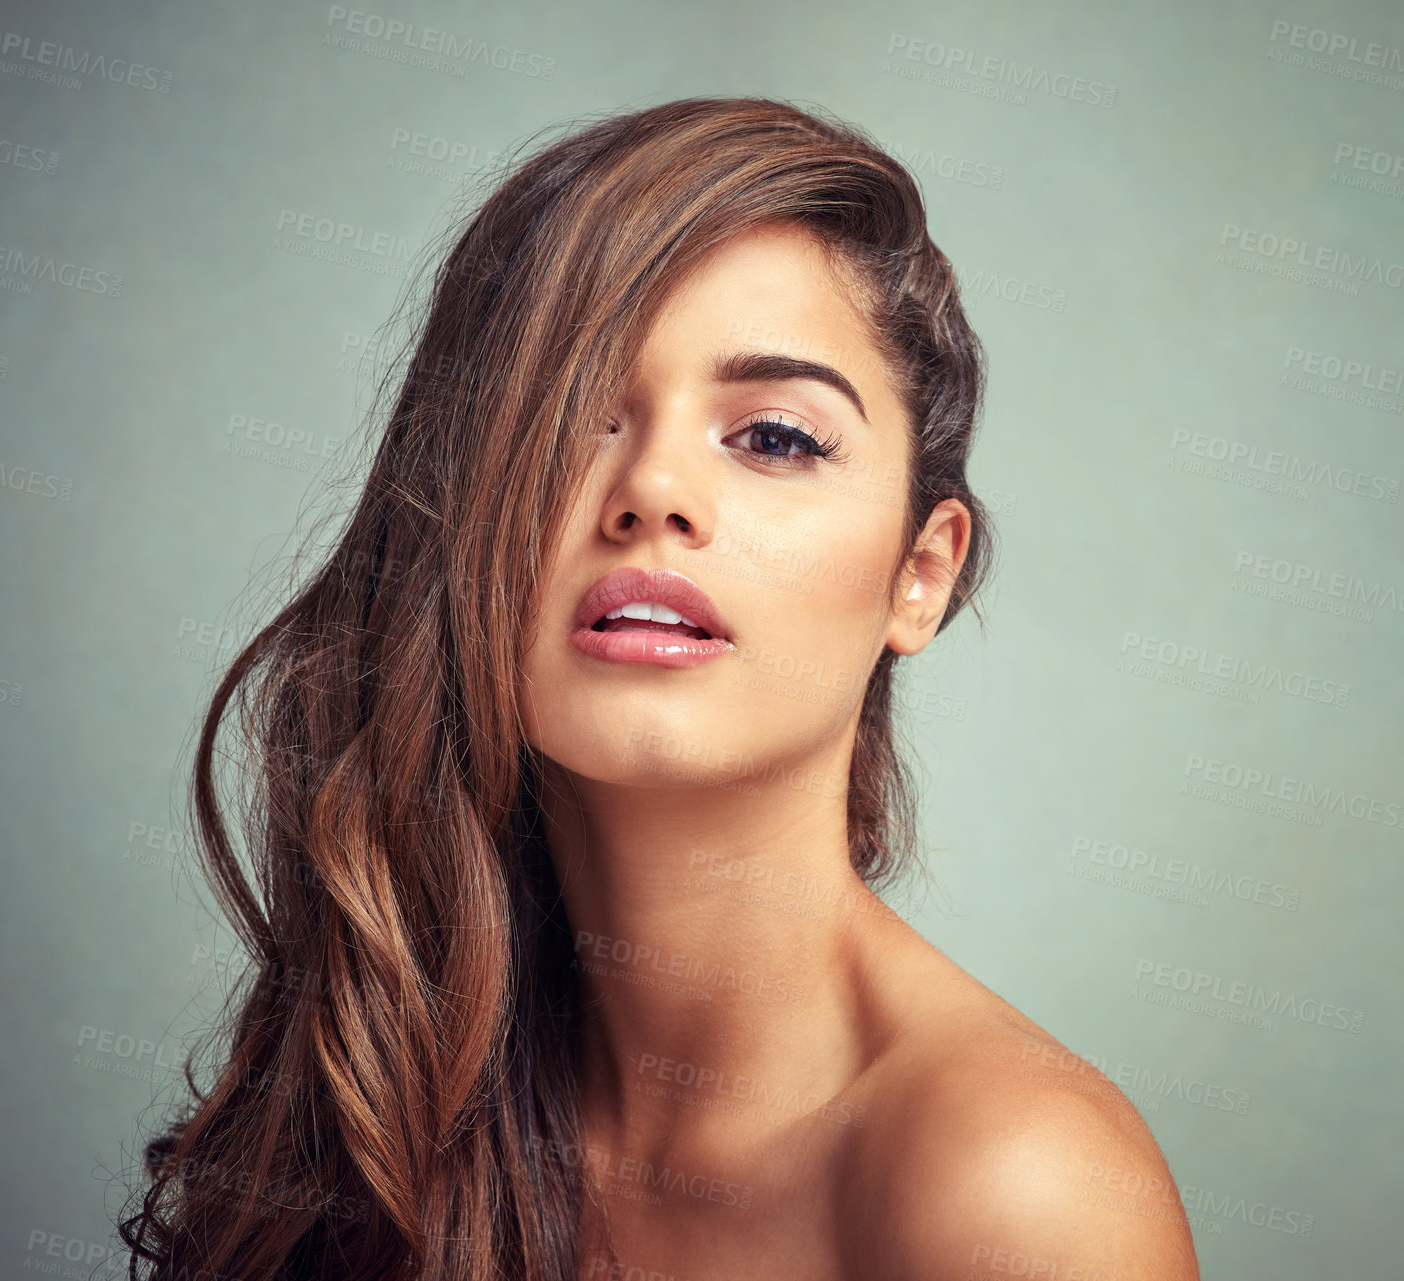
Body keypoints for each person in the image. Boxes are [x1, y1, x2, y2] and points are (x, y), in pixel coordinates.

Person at [120, 95, 1199, 1281]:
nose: (651, 490)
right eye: (568, 417)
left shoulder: (1015, 1187)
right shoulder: (372, 1097)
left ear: (919, 576)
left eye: (777, 437)